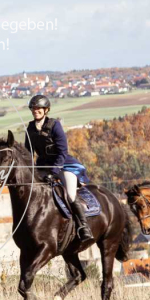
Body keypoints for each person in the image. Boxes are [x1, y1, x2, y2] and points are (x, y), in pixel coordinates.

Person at [24, 95, 93, 243]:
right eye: (34, 108)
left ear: (46, 110)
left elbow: (62, 152)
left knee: (70, 195)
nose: (35, 111)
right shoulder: (30, 128)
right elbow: (28, 153)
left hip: (63, 165)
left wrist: (54, 172)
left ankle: (84, 227)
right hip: (43, 167)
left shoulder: (55, 125)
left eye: (38, 108)